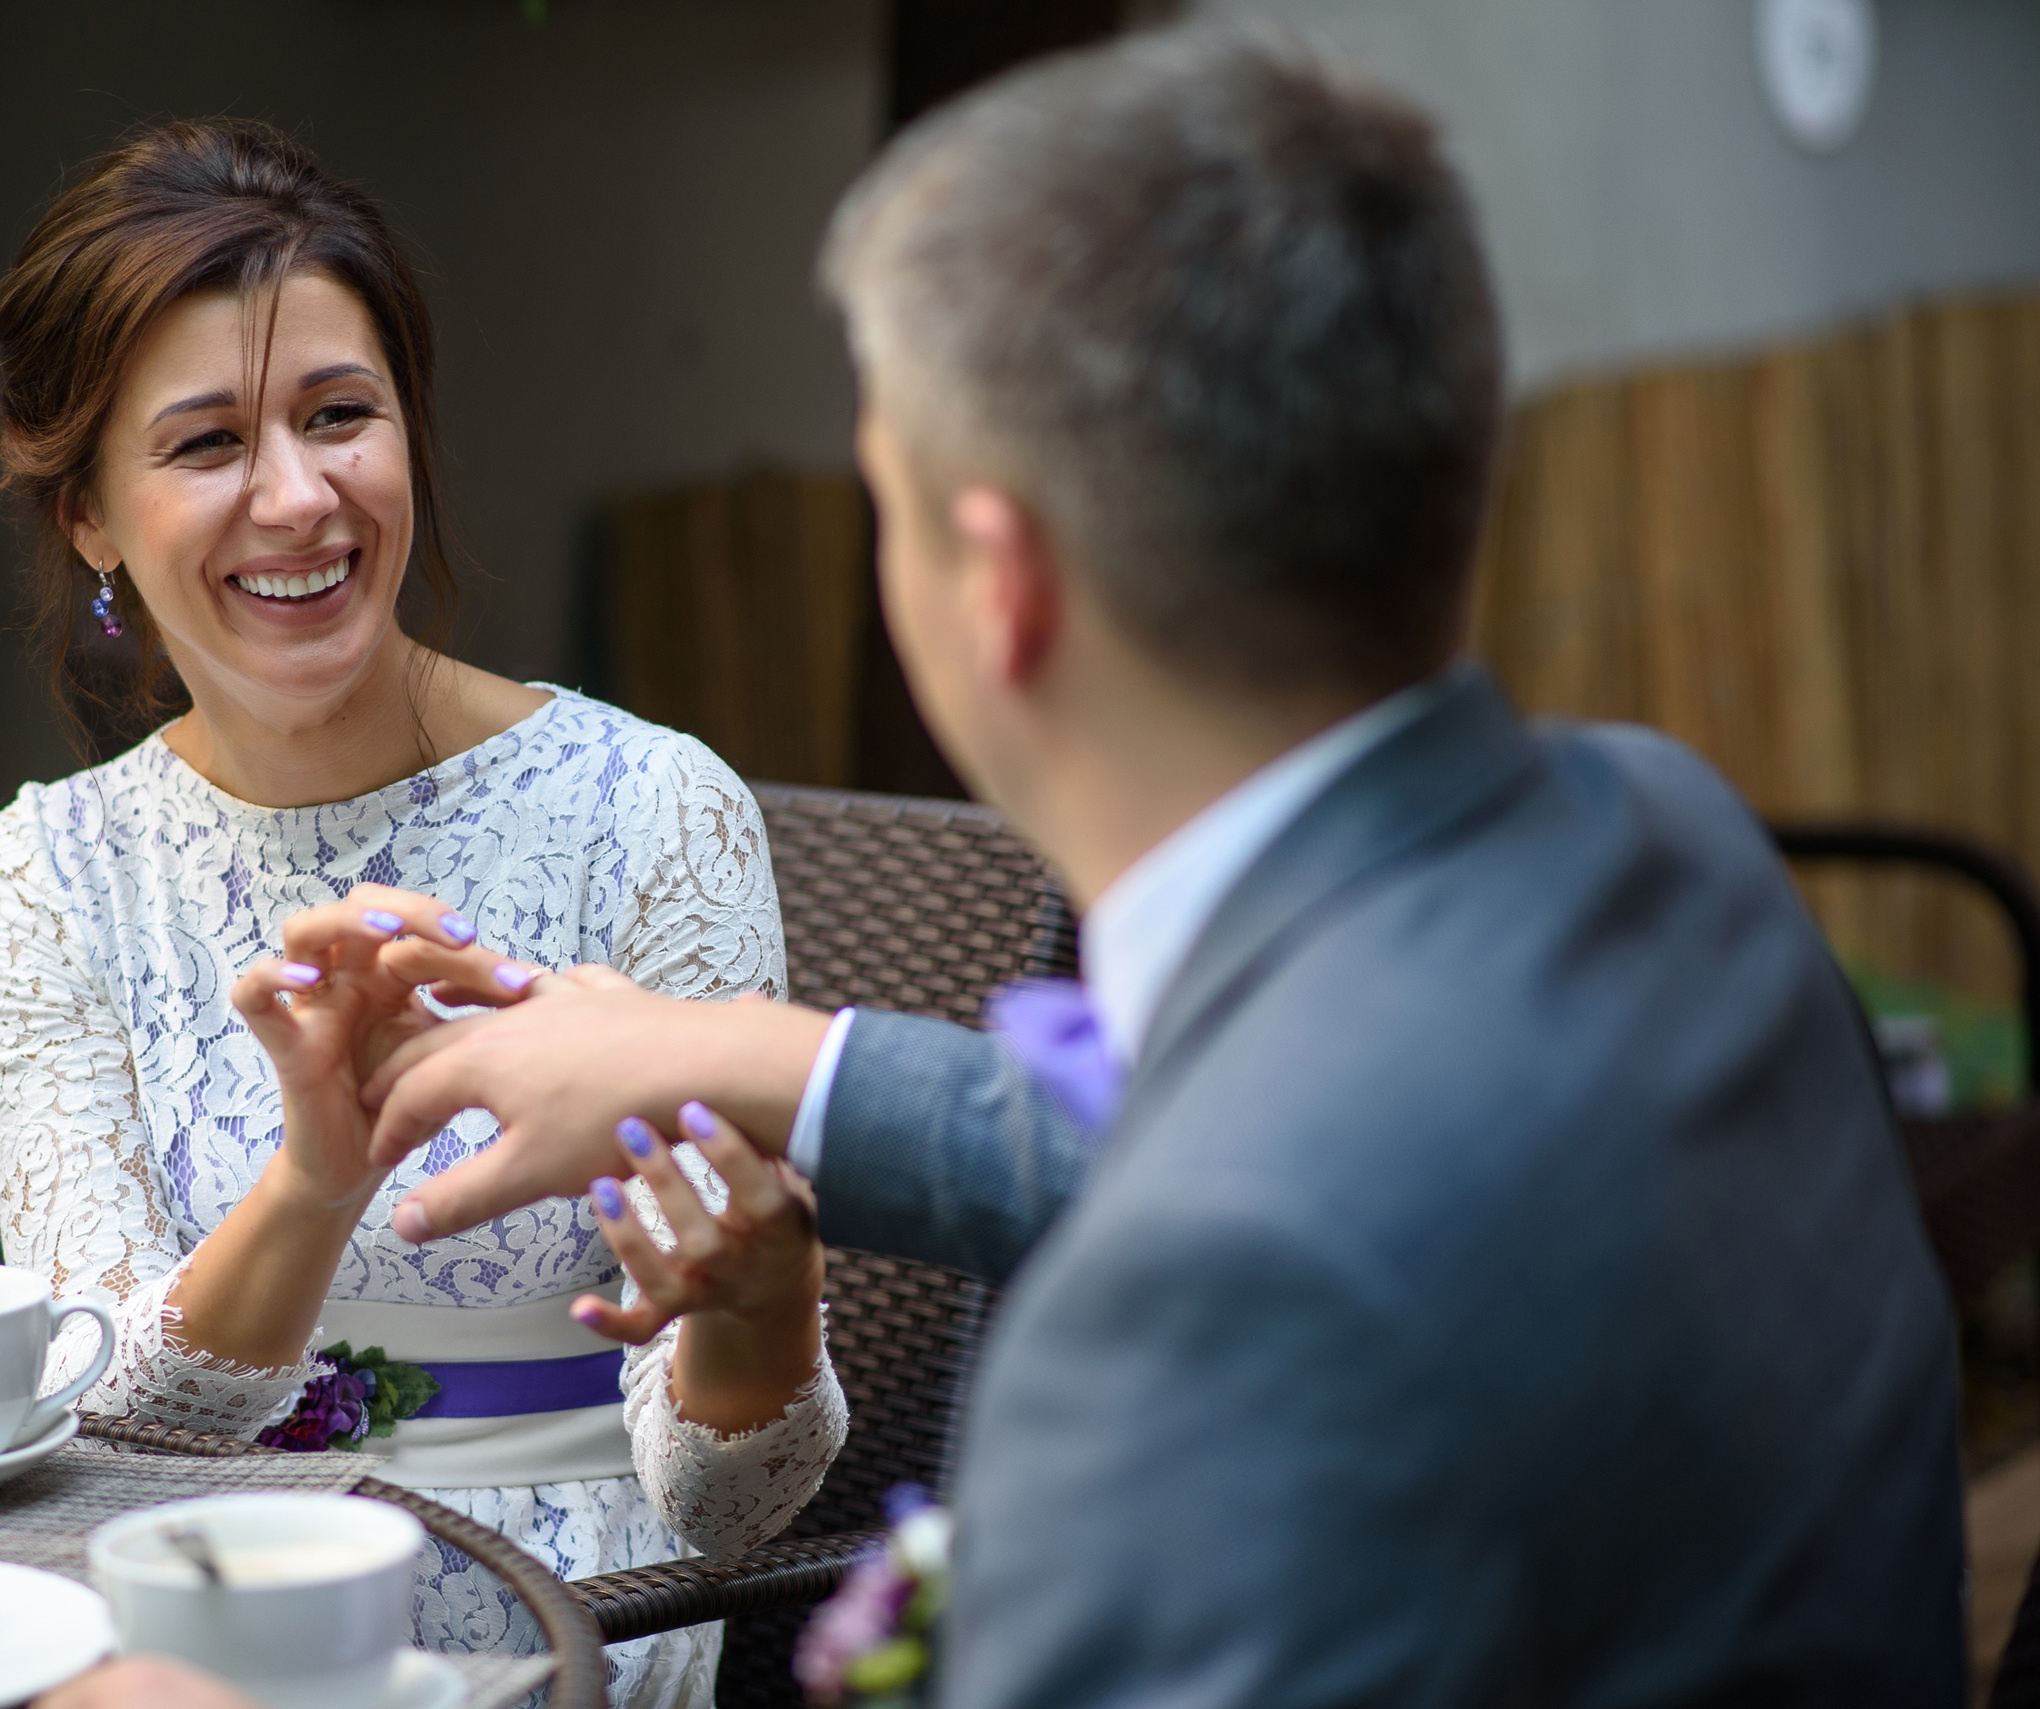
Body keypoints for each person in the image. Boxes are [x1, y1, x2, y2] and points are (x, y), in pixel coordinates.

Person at [346, 27, 1967, 1708]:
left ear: (1002, 583)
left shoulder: (1200, 1314)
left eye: (882, 493)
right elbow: (1318, 1138)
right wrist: (757, 1059)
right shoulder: (1673, 835)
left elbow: (1276, 1208)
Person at [0, 119, 844, 1707]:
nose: (297, 497)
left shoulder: (652, 812)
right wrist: (318, 1173)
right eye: (208, 442)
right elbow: (96, 1426)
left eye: (339, 415)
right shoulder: (47, 877)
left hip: (580, 1619)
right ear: (89, 510)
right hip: (192, 1625)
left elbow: (731, 1513)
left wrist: (764, 1312)